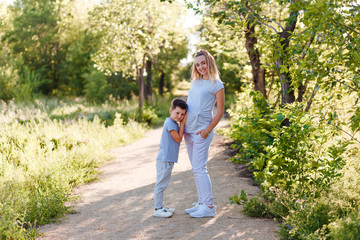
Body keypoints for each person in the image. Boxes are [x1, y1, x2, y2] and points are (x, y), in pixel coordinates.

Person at [184, 49, 225, 218]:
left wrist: (207, 131)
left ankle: (208, 206)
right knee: (195, 168)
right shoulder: (195, 81)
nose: (201, 67)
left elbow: (220, 112)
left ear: (209, 62)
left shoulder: (217, 83)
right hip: (189, 130)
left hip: (202, 131)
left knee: (200, 168)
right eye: (198, 64)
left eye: (203, 63)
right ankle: (201, 202)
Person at [153, 98, 188, 218]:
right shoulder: (170, 123)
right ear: (170, 111)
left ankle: (161, 206)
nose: (179, 116)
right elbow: (178, 138)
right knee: (161, 184)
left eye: (182, 114)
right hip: (165, 159)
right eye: (177, 113)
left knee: (163, 183)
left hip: (168, 159)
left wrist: (181, 124)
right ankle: (157, 209)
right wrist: (183, 124)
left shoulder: (173, 123)